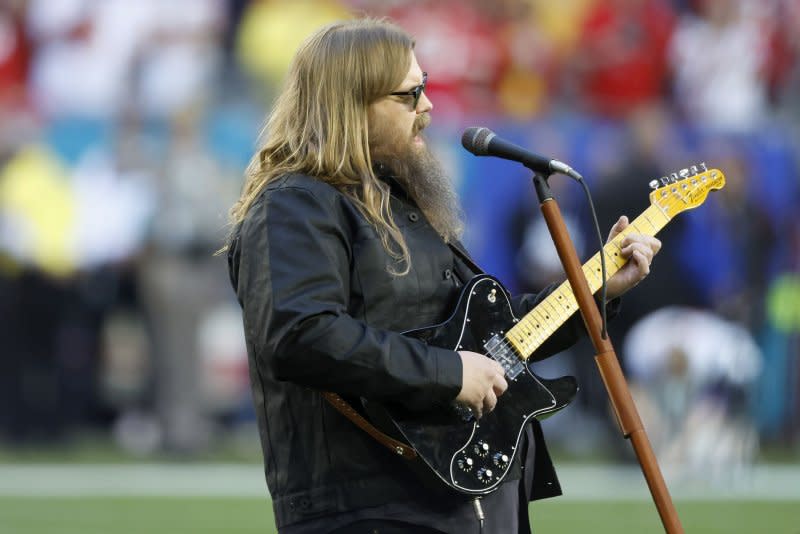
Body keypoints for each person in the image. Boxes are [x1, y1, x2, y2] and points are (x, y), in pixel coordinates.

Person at [225, 18, 661, 534]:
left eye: (425, 87)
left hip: (459, 501)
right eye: (410, 95)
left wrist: (597, 289)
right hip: (371, 506)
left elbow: (492, 341)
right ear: (350, 104)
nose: (428, 109)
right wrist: (449, 374)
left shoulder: (400, 201)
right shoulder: (294, 205)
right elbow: (301, 334)